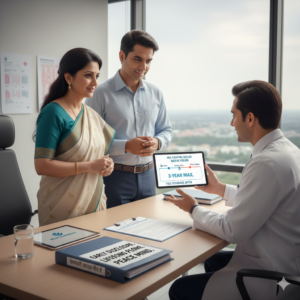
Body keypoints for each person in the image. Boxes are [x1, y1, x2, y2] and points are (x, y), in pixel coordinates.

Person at [167, 80, 300, 300]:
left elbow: (232, 230)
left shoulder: (265, 162)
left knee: (179, 289)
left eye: (234, 115)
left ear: (249, 119)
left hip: (272, 275)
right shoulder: (288, 151)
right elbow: (268, 200)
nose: (231, 123)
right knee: (213, 260)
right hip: (286, 260)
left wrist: (193, 209)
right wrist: (221, 189)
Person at [86, 30, 172, 208]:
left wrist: (158, 142)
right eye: (137, 59)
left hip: (148, 176)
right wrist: (125, 146)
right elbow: (90, 140)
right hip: (114, 177)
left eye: (148, 61)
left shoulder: (156, 93)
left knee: (148, 230)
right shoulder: (100, 93)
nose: (143, 66)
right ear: (122, 56)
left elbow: (166, 130)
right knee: (114, 233)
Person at [34, 48, 115, 226]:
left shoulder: (91, 114)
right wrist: (90, 166)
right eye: (88, 75)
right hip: (61, 205)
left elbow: (97, 155)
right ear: (68, 77)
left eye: (97, 76)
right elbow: (41, 165)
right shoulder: (53, 112)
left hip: (93, 200)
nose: (95, 82)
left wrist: (107, 165)